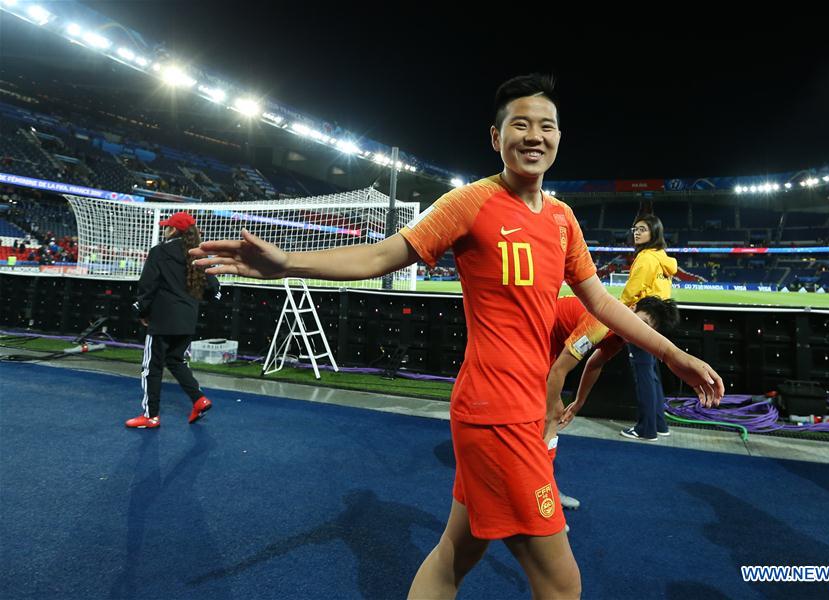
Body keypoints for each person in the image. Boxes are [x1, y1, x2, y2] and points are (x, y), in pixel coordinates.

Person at [191, 74, 723, 599]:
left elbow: (602, 303)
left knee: (455, 552)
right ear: (496, 138)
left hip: (507, 412)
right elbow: (382, 255)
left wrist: (672, 352)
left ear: (559, 137)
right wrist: (287, 262)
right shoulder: (470, 203)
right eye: (520, 124)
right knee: (561, 583)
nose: (534, 135)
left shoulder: (562, 220)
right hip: (498, 416)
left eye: (547, 126)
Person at [544, 295, 680, 509]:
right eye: (641, 323)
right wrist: (551, 407)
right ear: (632, 308)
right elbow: (559, 370)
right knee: (548, 418)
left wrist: (579, 402)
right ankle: (539, 494)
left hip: (549, 345)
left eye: (646, 331)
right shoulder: (600, 324)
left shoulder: (619, 336)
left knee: (547, 422)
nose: (638, 333)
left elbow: (594, 365)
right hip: (533, 337)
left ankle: (542, 489)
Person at [125, 211, 220, 429]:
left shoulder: (160, 251)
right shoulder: (197, 254)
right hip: (188, 319)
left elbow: (147, 286)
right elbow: (213, 288)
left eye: (167, 226)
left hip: (162, 319)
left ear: (174, 230)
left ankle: (151, 416)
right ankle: (199, 399)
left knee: (151, 367)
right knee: (176, 360)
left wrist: (142, 312)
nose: (165, 228)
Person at [618, 214, 678, 441]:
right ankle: (659, 424)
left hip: (642, 319)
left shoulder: (645, 258)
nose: (636, 232)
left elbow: (630, 292)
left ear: (654, 232)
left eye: (642, 229)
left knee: (643, 374)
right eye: (635, 228)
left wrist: (616, 312)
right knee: (651, 373)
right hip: (658, 320)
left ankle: (646, 428)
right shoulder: (662, 258)